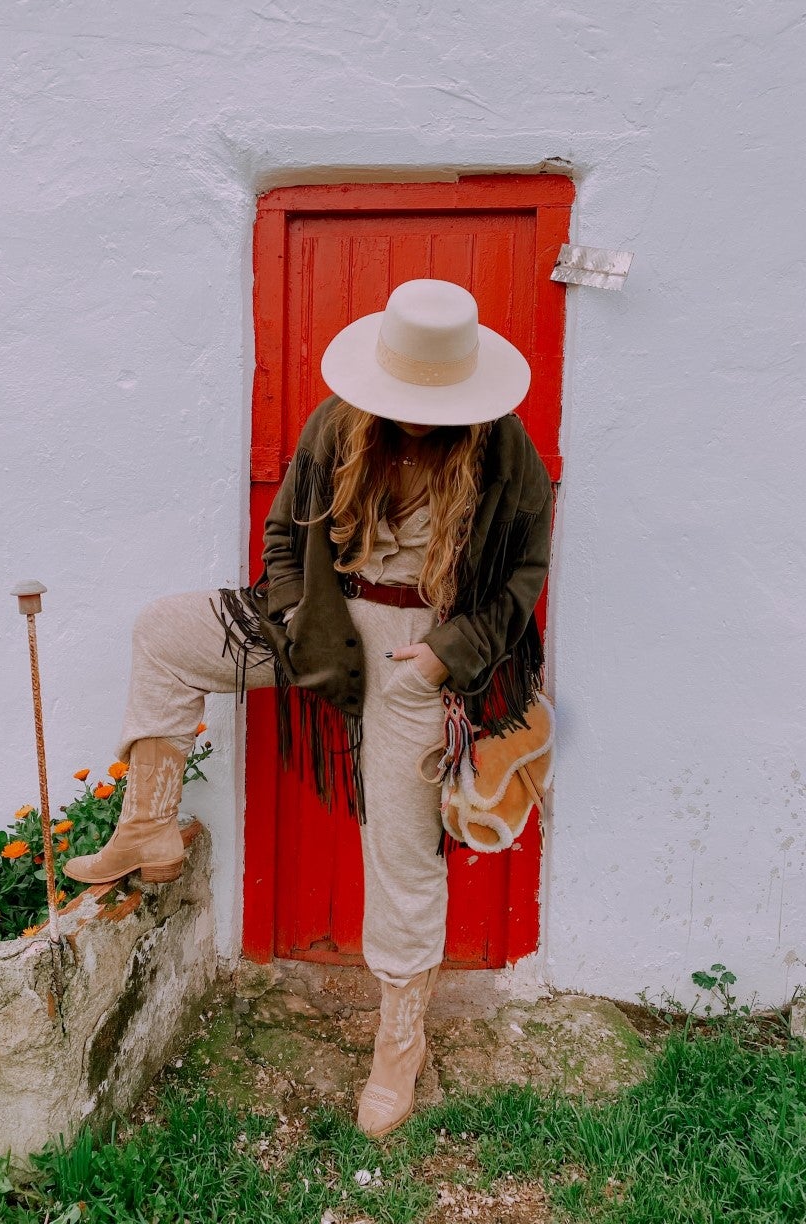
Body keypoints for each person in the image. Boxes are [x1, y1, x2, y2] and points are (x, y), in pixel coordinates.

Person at [64, 278, 553, 1137]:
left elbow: (521, 579)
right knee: (165, 631)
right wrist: (294, 611)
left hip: (419, 653)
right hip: (320, 618)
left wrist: (448, 655)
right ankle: (148, 824)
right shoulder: (339, 420)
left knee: (402, 853)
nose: (410, 413)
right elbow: (287, 533)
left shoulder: (505, 451)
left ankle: (400, 1044)